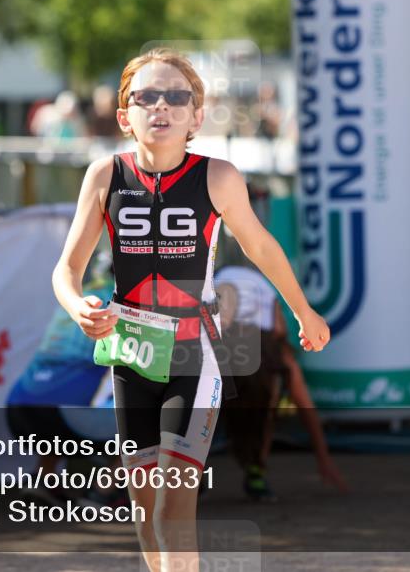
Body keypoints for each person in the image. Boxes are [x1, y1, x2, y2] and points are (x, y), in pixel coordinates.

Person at [51, 48, 330, 572]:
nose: (162, 106)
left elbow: (262, 248)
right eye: (146, 96)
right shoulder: (104, 175)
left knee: (174, 508)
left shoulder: (218, 177)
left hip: (191, 355)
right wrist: (77, 307)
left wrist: (304, 313)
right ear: (123, 115)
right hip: (129, 354)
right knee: (146, 509)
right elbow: (65, 271)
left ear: (196, 117)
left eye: (177, 97)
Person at [216, 265, 348, 502]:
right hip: (244, 335)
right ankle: (256, 470)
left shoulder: (233, 292)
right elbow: (279, 329)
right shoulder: (279, 354)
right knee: (268, 395)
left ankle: (194, 471)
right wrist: (324, 459)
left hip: (221, 324)